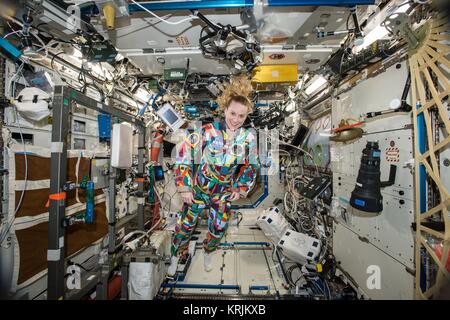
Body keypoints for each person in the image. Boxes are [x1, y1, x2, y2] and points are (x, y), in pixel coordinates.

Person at [167, 76, 260, 276]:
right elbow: (184, 154)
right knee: (184, 227)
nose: (235, 119)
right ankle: (175, 254)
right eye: (233, 113)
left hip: (222, 194)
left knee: (218, 230)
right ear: (225, 110)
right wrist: (184, 186)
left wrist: (241, 188)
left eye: (241, 116)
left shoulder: (248, 139)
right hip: (198, 192)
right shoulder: (207, 131)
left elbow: (251, 166)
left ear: (246, 117)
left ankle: (209, 251)